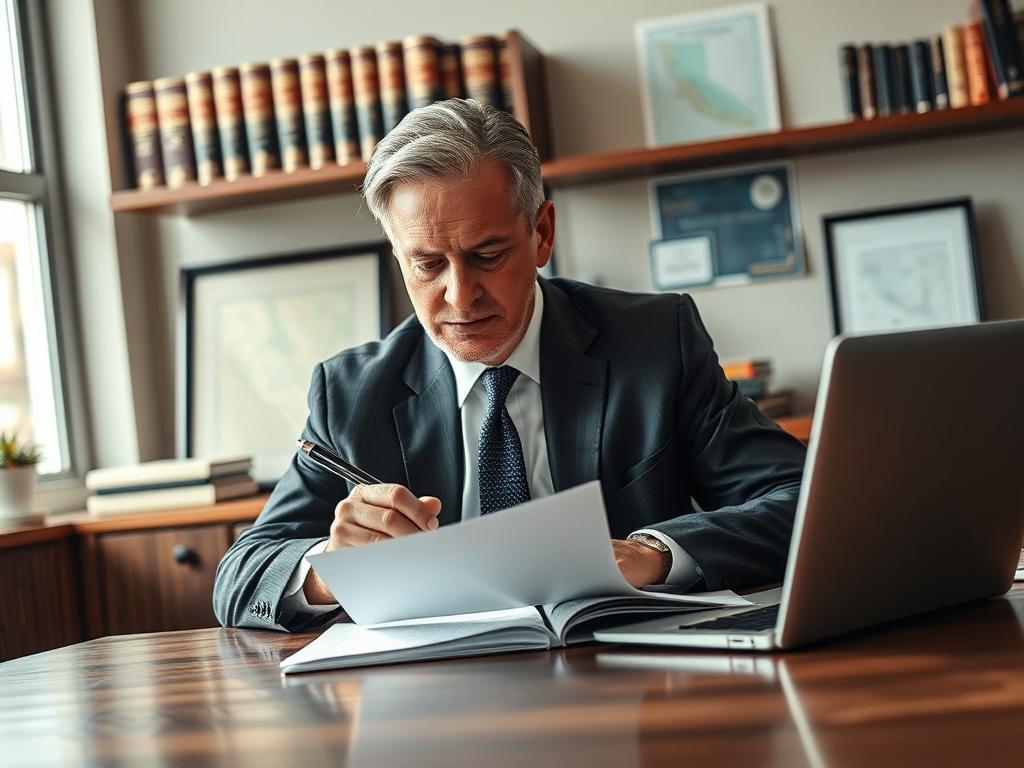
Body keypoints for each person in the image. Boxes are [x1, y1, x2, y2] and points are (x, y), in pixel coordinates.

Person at [213, 99, 806, 631]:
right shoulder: (349, 392)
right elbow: (240, 574)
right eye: (427, 264)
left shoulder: (654, 343)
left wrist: (654, 553)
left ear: (542, 233)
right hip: (437, 703)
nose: (459, 295)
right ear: (398, 258)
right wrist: (329, 570)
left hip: (628, 681)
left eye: (487, 255)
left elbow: (799, 498)